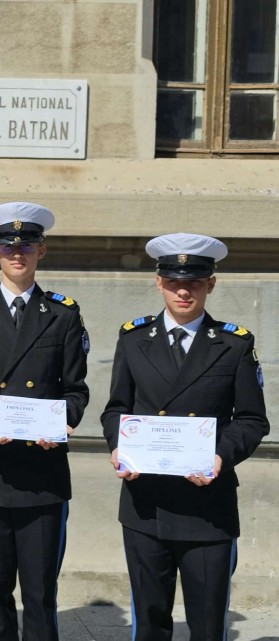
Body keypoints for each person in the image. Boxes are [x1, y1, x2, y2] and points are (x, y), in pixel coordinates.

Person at [100, 232, 269, 641]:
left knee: (208, 623)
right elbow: (115, 409)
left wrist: (220, 456)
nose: (183, 290)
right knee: (150, 622)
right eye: (173, 280)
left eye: (194, 281)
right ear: (158, 282)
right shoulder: (134, 338)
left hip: (207, 508)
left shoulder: (233, 344)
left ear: (211, 283)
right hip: (146, 505)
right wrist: (119, 444)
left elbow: (251, 419)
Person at [0, 202, 90, 641]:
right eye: (8, 246)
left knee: (41, 590)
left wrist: (60, 422)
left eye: (26, 245)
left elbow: (77, 389)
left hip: (42, 471)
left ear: (41, 251)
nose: (17, 253)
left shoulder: (63, 314)